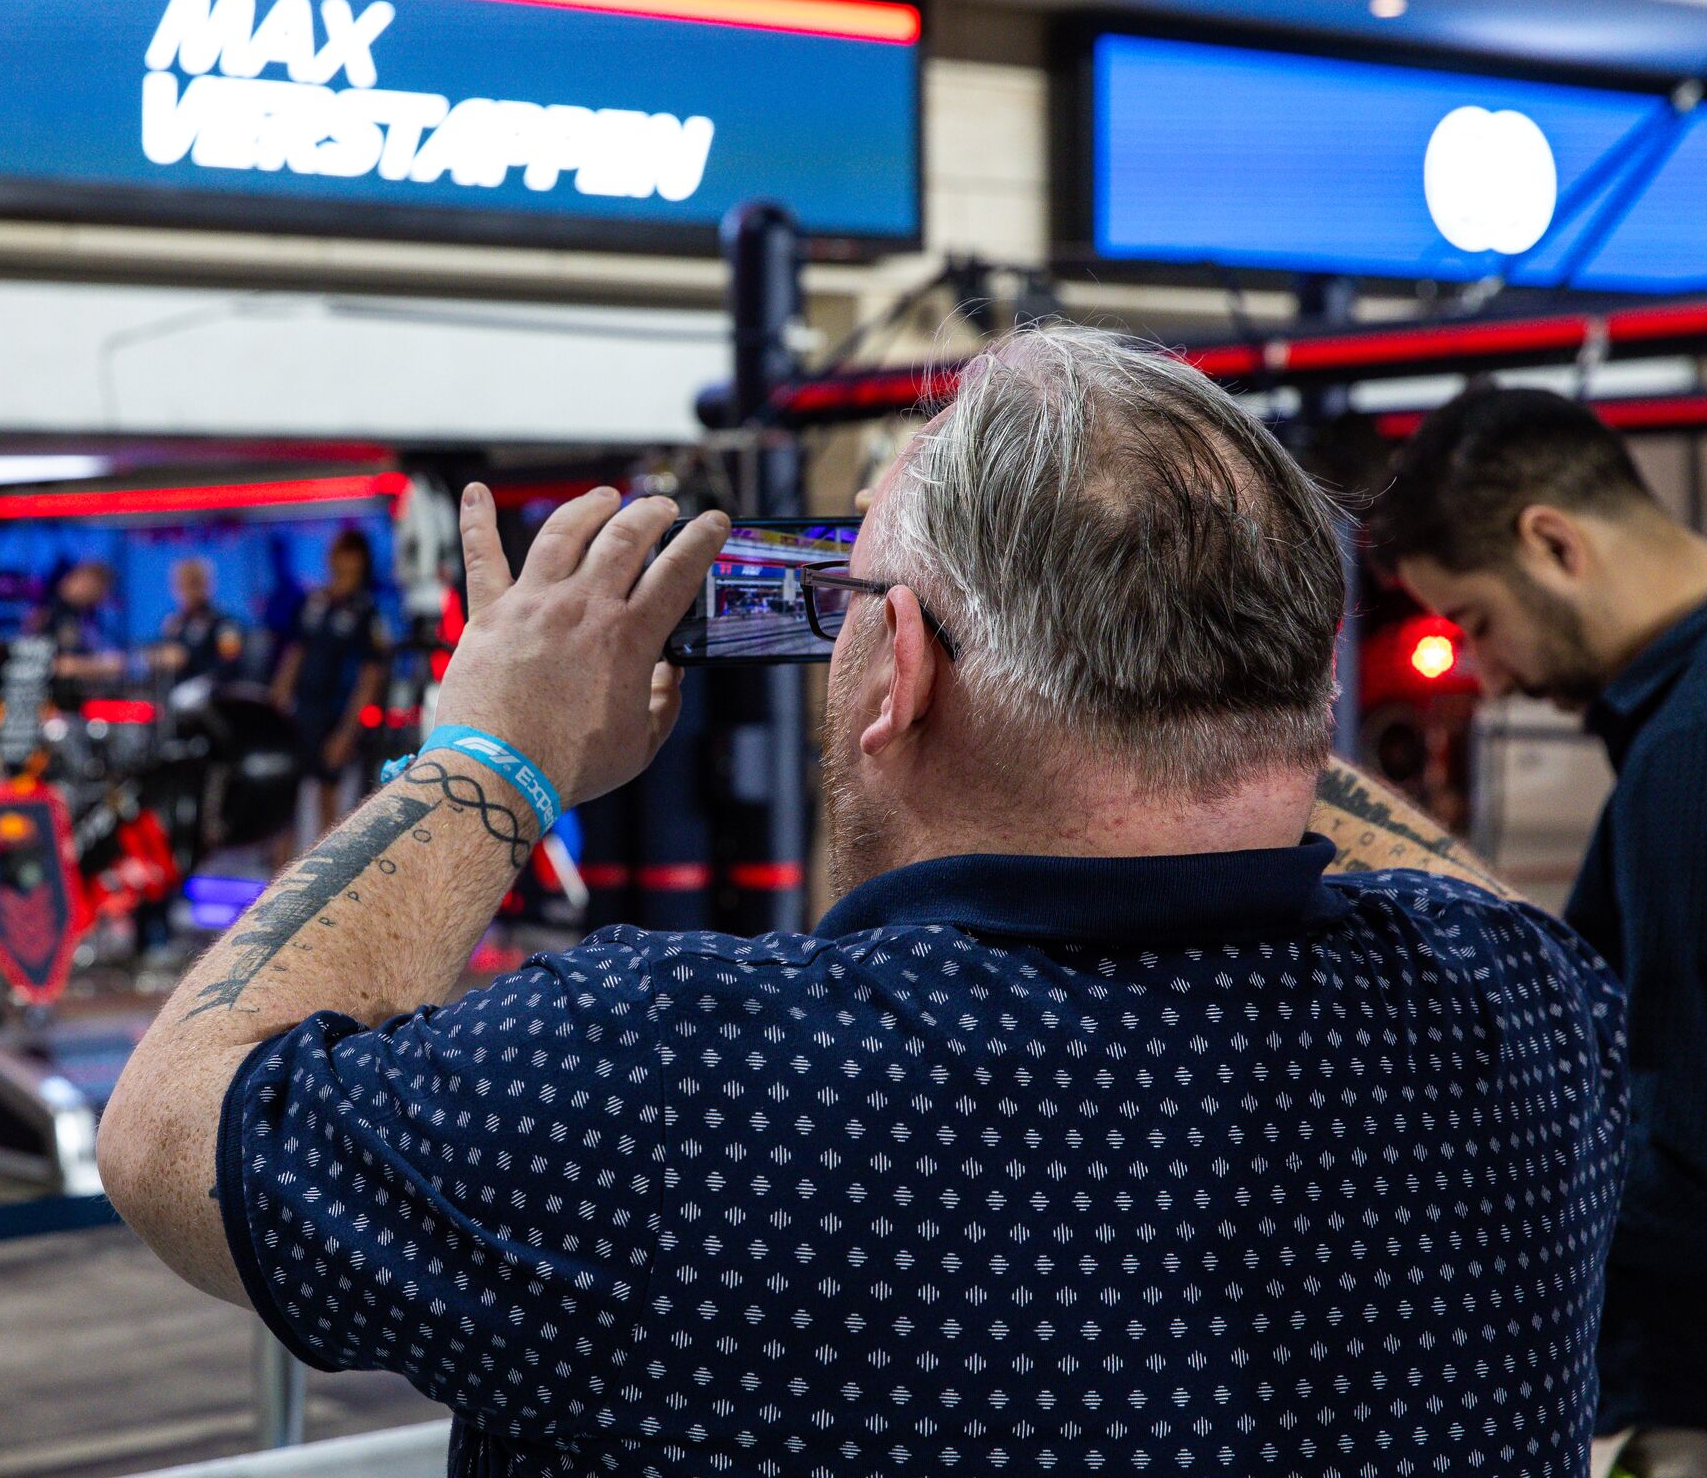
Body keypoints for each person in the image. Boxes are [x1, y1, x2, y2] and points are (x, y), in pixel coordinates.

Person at [101, 327, 1626, 1477]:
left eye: (853, 608)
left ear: (893, 672)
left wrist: (496, 756)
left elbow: (177, 1132)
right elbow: (1460, 897)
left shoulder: (671, 1081)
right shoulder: (1521, 1017)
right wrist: (1227, 672)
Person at [1371, 386, 1707, 1478]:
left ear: (1552, 542)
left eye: (1473, 622)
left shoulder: (1687, 755)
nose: (1489, 673)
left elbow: (1684, 1141)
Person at [270, 529, 392, 834]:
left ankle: (328, 877)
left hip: (337, 717)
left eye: (351, 554)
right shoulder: (313, 603)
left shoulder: (366, 612)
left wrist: (347, 734)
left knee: (331, 802)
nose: (343, 561)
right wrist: (276, 703)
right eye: (339, 553)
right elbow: (295, 653)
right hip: (301, 715)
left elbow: (370, 677)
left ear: (362, 561)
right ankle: (280, 876)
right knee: (285, 800)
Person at [28, 559, 124, 691]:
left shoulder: (86, 618)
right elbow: (53, 665)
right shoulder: (49, 611)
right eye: (91, 585)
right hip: (46, 695)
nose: (99, 596)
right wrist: (100, 666)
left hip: (73, 694)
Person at [153, 557, 246, 686]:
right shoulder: (174, 623)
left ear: (208, 584)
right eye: (181, 584)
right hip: (174, 688)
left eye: (194, 583)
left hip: (212, 690)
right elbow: (161, 654)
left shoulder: (225, 624)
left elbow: (230, 663)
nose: (188, 591)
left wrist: (188, 659)